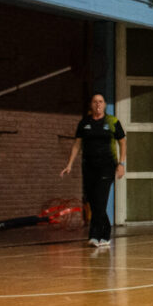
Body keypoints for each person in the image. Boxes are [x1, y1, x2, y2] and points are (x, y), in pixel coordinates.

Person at [60, 93, 126, 247]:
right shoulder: (84, 123)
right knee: (93, 201)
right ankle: (105, 230)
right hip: (89, 167)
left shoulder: (112, 122)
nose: (98, 104)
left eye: (101, 102)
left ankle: (96, 235)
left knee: (101, 200)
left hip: (107, 166)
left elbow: (123, 142)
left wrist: (121, 164)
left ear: (104, 105)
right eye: (95, 102)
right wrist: (69, 164)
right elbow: (77, 144)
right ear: (91, 104)